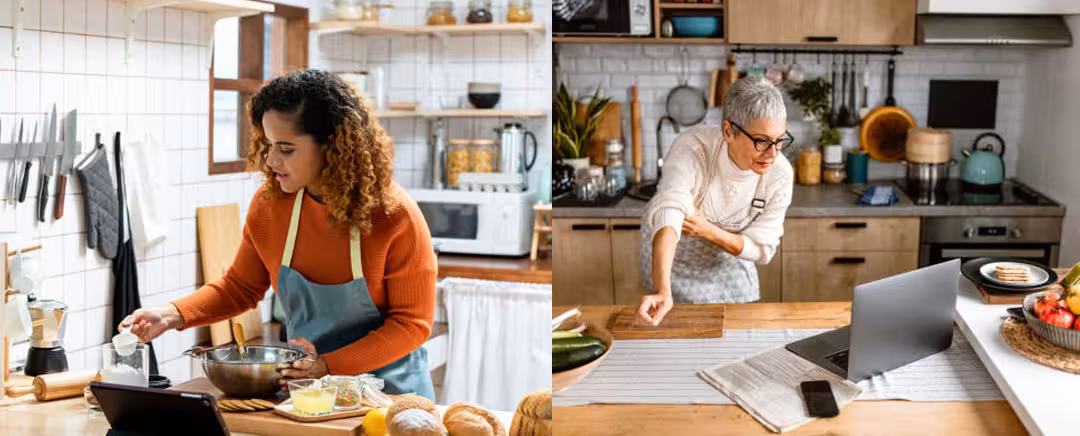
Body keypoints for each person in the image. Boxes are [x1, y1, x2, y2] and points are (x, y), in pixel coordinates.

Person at [120, 69, 438, 399]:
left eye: (286, 148)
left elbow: (411, 324)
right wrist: (171, 314)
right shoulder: (272, 205)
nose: (271, 160)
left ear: (333, 144)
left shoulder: (394, 216)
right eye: (268, 145)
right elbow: (240, 287)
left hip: (390, 397)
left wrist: (328, 365)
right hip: (309, 394)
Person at [638, 77, 795, 326]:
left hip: (727, 260)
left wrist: (709, 231)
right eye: (761, 141)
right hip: (672, 262)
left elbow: (762, 250)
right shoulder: (693, 148)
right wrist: (662, 291)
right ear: (728, 131)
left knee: (739, 334)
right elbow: (670, 212)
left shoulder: (779, 175)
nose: (773, 153)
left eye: (780, 140)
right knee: (676, 335)